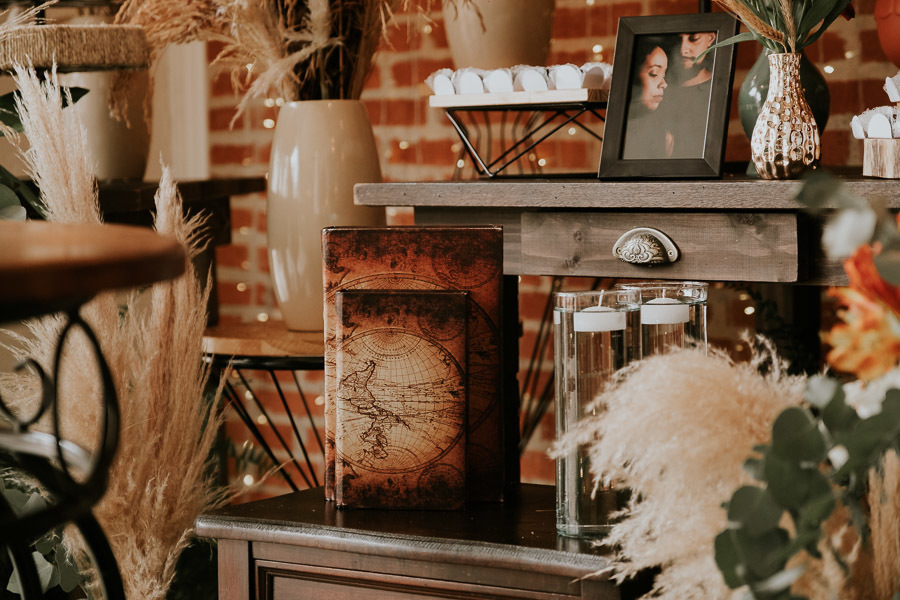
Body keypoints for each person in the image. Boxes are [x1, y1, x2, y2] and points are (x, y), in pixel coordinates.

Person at [665, 31, 717, 158]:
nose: (684, 50)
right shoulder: (662, 89)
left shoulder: (715, 88)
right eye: (679, 41)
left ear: (710, 38)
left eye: (694, 39)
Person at [622, 37, 674, 160]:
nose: (664, 84)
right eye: (654, 73)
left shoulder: (666, 138)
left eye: (664, 75)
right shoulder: (619, 135)